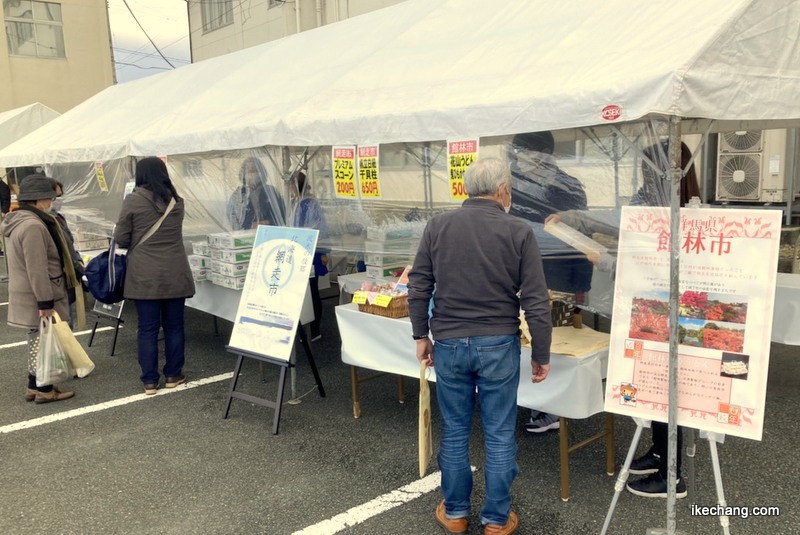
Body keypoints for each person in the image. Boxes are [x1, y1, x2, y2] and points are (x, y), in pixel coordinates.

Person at [547, 140, 701, 499]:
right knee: (656, 388)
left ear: (670, 173)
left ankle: (672, 476)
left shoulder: (686, 214)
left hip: (671, 316)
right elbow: (615, 221)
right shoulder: (649, 204)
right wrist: (573, 219)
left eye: (649, 171)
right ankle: (662, 450)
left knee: (671, 391)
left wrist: (603, 261)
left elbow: (657, 268)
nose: (644, 178)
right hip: (646, 312)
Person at [408, 157, 552, 535]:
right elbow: (536, 300)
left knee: (455, 431)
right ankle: (496, 520)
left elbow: (419, 284)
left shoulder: (438, 226)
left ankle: (455, 513)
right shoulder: (518, 230)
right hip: (498, 344)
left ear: (466, 189)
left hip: (450, 342)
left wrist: (420, 335)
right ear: (503, 189)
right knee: (500, 432)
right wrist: (541, 354)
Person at [508, 131, 593, 434]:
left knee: (557, 337)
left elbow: (578, 230)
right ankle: (538, 402)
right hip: (530, 269)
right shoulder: (517, 186)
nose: (521, 161)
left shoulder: (567, 185)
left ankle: (552, 407)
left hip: (562, 271)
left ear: (544, 153)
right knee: (533, 335)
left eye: (526, 154)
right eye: (518, 155)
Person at [114, 157, 195, 395]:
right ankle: (173, 374)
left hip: (144, 275)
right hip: (175, 273)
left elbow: (121, 237)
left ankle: (150, 380)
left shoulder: (133, 201)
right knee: (175, 327)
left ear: (141, 175)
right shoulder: (177, 202)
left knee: (148, 329)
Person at [1, 174, 77, 403]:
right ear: (40, 198)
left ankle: (34, 386)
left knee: (36, 340)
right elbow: (37, 267)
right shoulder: (34, 225)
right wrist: (45, 302)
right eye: (50, 198)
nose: (51, 202)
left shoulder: (18, 220)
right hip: (40, 292)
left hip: (25, 291)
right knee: (45, 341)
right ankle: (45, 389)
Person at [290, 170, 329, 341]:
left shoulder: (310, 204)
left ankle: (314, 329)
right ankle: (304, 327)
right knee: (302, 291)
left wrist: (322, 252)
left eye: (290, 185)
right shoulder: (294, 202)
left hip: (310, 251)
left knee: (312, 290)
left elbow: (321, 229)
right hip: (298, 250)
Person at [50, 179, 86, 329]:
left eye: (61, 196)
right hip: (55, 281)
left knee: (66, 325)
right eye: (56, 197)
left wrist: (77, 259)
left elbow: (69, 244)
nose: (59, 200)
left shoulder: (58, 217)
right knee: (61, 328)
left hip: (65, 280)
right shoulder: (46, 221)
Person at [227, 156, 286, 230]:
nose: (253, 174)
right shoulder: (238, 195)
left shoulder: (271, 192)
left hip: (269, 232)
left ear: (262, 172)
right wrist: (250, 226)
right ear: (243, 174)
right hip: (246, 236)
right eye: (250, 171)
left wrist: (266, 223)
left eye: (256, 171)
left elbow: (281, 214)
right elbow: (233, 218)